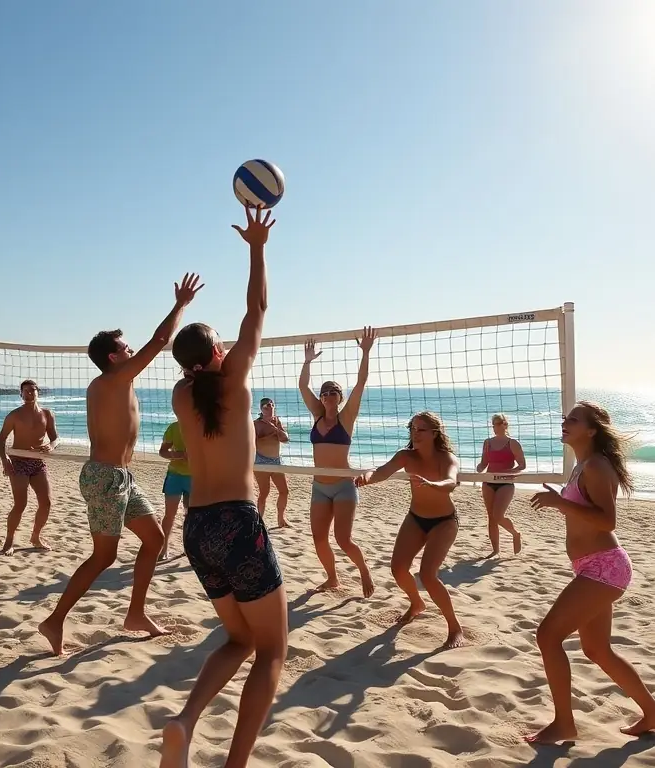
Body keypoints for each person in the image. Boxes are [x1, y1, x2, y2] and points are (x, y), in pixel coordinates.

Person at [160, 204, 285, 768]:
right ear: (216, 353)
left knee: (239, 641)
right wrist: (257, 246)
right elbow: (257, 306)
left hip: (198, 527)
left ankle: (185, 723)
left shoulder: (182, 396)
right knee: (273, 652)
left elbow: (224, 336)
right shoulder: (233, 380)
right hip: (238, 522)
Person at [37, 272, 203, 656]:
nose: (132, 352)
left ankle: (135, 614)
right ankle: (55, 620)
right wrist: (180, 305)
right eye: (126, 348)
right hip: (105, 477)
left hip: (121, 477)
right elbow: (160, 341)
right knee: (104, 556)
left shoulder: (117, 382)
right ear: (114, 357)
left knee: (155, 539)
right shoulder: (112, 380)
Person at [525, 401, 655, 744]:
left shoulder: (595, 466)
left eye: (572, 420)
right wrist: (563, 503)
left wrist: (560, 503)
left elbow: (608, 521)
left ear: (591, 430)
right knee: (597, 650)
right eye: (565, 418)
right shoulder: (581, 466)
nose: (565, 422)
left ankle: (564, 723)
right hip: (592, 566)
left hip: (604, 566)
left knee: (548, 636)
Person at [356, 411, 465, 649]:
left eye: (421, 429)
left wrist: (432, 484)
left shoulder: (447, 458)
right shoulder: (406, 456)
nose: (415, 434)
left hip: (444, 521)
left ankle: (454, 626)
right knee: (397, 568)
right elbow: (382, 471)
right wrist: (368, 476)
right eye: (412, 428)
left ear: (435, 433)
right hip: (416, 518)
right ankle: (417, 603)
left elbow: (450, 482)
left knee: (427, 574)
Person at [298, 327, 377, 596]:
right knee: (319, 538)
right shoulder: (317, 415)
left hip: (343, 486)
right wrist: (307, 361)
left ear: (340, 398)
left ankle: (364, 570)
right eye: (325, 392)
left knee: (343, 539)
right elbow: (302, 386)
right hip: (320, 486)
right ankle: (333, 578)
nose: (329, 395)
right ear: (321, 398)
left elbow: (361, 382)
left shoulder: (346, 418)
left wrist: (365, 352)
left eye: (334, 392)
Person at [0, 380, 58, 555]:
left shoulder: (47, 414)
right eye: (26, 391)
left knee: (46, 503)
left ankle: (36, 536)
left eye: (33, 390)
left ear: (38, 392)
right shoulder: (14, 415)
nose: (30, 393)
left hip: (38, 462)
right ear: (21, 394)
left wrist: (51, 446)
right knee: (20, 504)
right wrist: (4, 460)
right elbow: (1, 441)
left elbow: (55, 438)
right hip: (18, 462)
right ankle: (9, 541)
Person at [476, 413, 525, 556]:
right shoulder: (487, 442)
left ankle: (515, 534)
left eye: (498, 423)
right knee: (491, 517)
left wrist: (508, 473)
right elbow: (484, 463)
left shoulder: (513, 443)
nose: (495, 427)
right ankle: (495, 550)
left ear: (505, 424)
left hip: (505, 483)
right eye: (493, 424)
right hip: (489, 482)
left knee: (498, 515)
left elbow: (522, 464)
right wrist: (478, 469)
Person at [253, 397, 290, 528]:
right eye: (266, 407)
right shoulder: (256, 424)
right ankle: (259, 521)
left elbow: (285, 439)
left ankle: (281, 519)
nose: (269, 408)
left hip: (276, 460)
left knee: (284, 491)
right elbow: (253, 443)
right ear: (261, 410)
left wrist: (275, 429)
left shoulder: (277, 421)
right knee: (264, 492)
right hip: (261, 460)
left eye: (271, 405)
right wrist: (268, 433)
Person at [158, 420, 191, 560]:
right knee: (169, 515)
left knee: (191, 515)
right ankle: (164, 548)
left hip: (196, 476)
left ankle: (189, 549)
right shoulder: (174, 427)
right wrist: (179, 454)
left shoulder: (203, 426)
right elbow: (162, 451)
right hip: (175, 475)